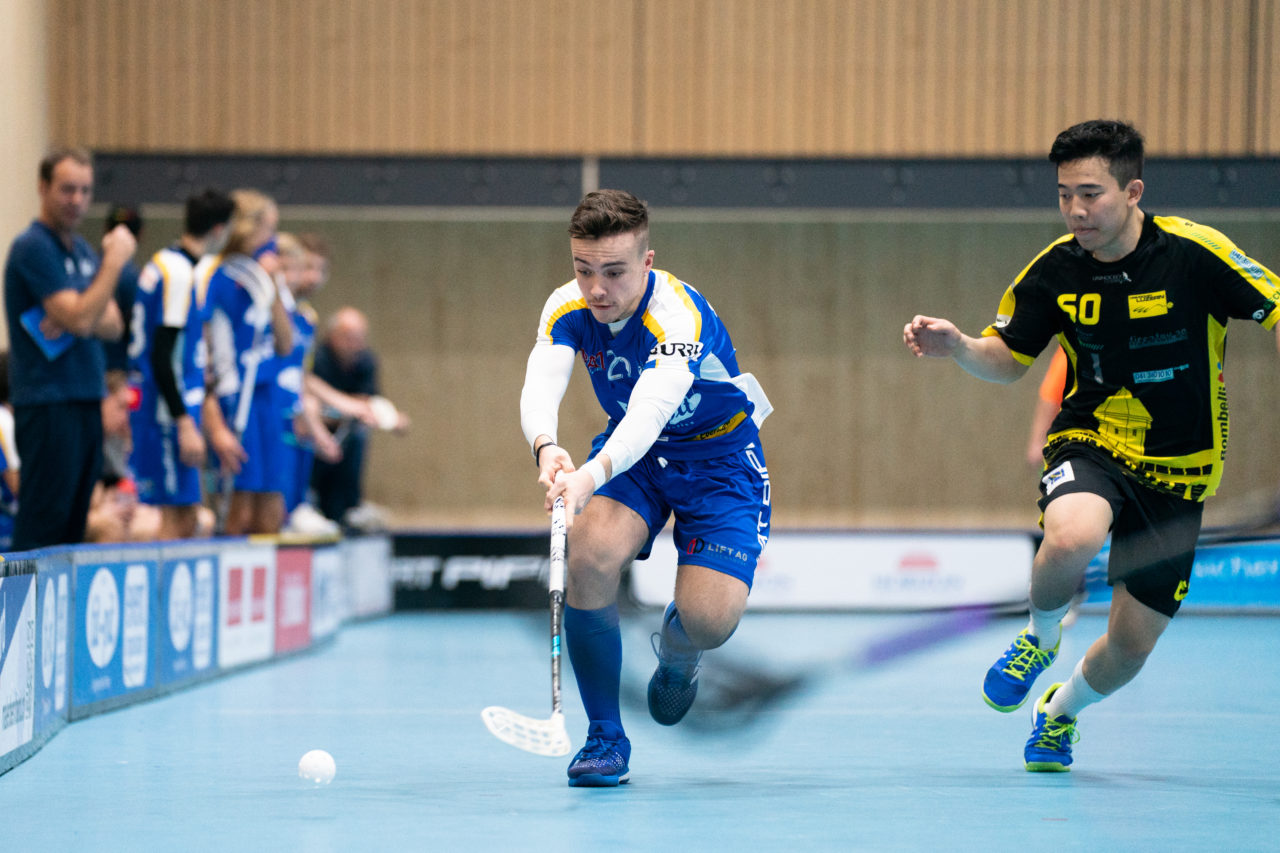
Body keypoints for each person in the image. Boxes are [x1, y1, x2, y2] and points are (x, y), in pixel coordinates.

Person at [903, 119, 1280, 772]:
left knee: (1130, 647)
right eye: (1064, 194)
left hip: (1181, 471)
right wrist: (960, 347)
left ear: (1132, 191)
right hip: (1091, 440)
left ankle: (1058, 711)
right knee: (1073, 534)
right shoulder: (1054, 270)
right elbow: (1009, 357)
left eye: (1091, 193)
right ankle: (1039, 638)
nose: (1076, 210)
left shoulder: (1193, 253)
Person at [520, 189, 773, 787]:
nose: (596, 289)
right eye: (584, 270)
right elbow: (542, 380)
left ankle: (679, 654)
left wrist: (586, 476)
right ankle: (605, 736)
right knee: (588, 555)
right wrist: (546, 445)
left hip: (720, 462)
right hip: (638, 461)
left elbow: (649, 413)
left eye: (614, 272)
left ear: (648, 262)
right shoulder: (567, 306)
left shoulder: (677, 317)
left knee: (710, 622)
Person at [3, 146, 135, 550]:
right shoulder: (33, 248)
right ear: (43, 188)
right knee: (47, 517)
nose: (77, 200)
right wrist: (113, 263)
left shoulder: (79, 251)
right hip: (47, 401)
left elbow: (112, 324)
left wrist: (80, 309)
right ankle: (17, 611)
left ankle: (56, 613)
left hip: (85, 397)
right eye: (66, 189)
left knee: (75, 522)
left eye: (85, 191)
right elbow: (83, 319)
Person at [127, 188, 234, 540]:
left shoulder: (168, 264)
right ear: (219, 230)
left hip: (170, 408)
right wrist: (184, 421)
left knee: (188, 518)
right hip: (165, 413)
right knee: (173, 521)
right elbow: (161, 355)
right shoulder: (177, 273)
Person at [202, 189, 293, 534]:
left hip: (267, 399)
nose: (271, 240)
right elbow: (206, 357)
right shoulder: (217, 276)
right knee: (238, 510)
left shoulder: (265, 277)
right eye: (267, 229)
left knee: (272, 506)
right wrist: (215, 424)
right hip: (234, 398)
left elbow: (285, 344)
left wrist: (271, 288)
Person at [309, 306, 406, 528]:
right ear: (332, 336)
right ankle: (309, 502)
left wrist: (390, 418)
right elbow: (308, 405)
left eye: (360, 338)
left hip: (344, 432)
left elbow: (370, 402)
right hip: (314, 432)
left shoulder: (365, 361)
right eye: (349, 338)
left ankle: (349, 506)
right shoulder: (317, 359)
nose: (355, 344)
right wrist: (348, 410)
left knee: (358, 434)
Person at [102, 203, 145, 374]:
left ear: (105, 230)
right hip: (119, 371)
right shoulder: (135, 278)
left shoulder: (88, 266)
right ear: (141, 235)